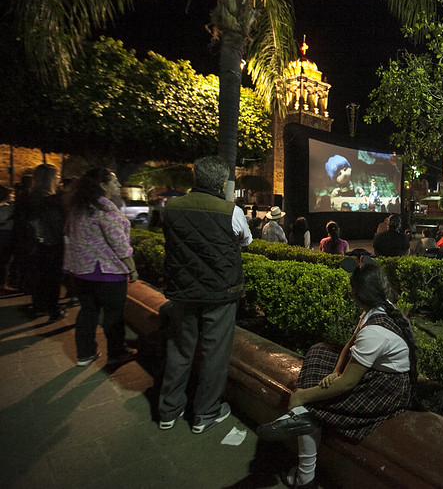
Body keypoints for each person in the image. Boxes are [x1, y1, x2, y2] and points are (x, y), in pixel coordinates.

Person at [256, 261, 416, 489]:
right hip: (373, 370)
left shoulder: (376, 333)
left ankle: (304, 474)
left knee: (318, 405)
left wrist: (302, 397)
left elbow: (348, 383)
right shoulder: (378, 309)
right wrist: (335, 371)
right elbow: (351, 343)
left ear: (358, 294)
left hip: (386, 387)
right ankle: (302, 416)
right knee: (320, 350)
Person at [158, 156, 253, 434]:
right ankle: (205, 413)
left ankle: (169, 410)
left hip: (182, 290)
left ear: (195, 179)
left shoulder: (171, 207)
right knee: (215, 354)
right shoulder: (230, 211)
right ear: (223, 183)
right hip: (220, 293)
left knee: (179, 349)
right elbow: (246, 241)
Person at [64, 168, 138, 366]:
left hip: (82, 270)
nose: (119, 185)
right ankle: (117, 353)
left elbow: (70, 234)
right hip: (107, 271)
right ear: (103, 185)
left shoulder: (79, 207)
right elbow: (119, 243)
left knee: (88, 311)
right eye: (114, 182)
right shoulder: (106, 209)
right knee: (113, 316)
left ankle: (85, 354)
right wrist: (132, 268)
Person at [25, 164, 66, 321]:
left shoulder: (30, 197)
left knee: (40, 278)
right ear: (50, 178)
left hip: (35, 245)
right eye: (56, 176)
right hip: (51, 244)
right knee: (52, 279)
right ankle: (53, 311)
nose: (59, 179)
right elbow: (55, 225)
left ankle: (39, 306)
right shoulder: (51, 201)